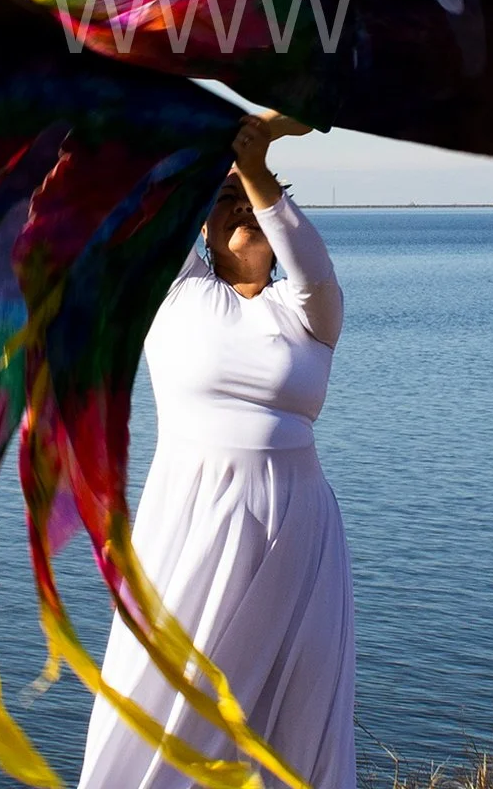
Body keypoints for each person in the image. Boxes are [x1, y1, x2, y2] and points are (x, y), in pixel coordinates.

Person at [77, 111, 355, 789]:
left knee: (297, 714)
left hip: (298, 533)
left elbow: (307, 255)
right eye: (223, 200)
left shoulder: (311, 311)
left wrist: (257, 166)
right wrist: (241, 138)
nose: (243, 210)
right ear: (201, 222)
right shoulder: (173, 291)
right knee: (161, 698)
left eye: (255, 201)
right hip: (193, 523)